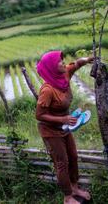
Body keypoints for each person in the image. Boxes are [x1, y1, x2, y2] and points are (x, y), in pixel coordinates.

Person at [36, 50, 93, 204]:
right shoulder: (47, 90)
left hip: (65, 126)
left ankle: (74, 187)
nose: (63, 63)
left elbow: (76, 64)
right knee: (62, 163)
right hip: (51, 130)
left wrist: (88, 59)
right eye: (59, 62)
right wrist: (63, 119)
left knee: (73, 156)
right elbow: (39, 115)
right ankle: (67, 196)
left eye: (62, 61)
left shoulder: (64, 74)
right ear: (52, 68)